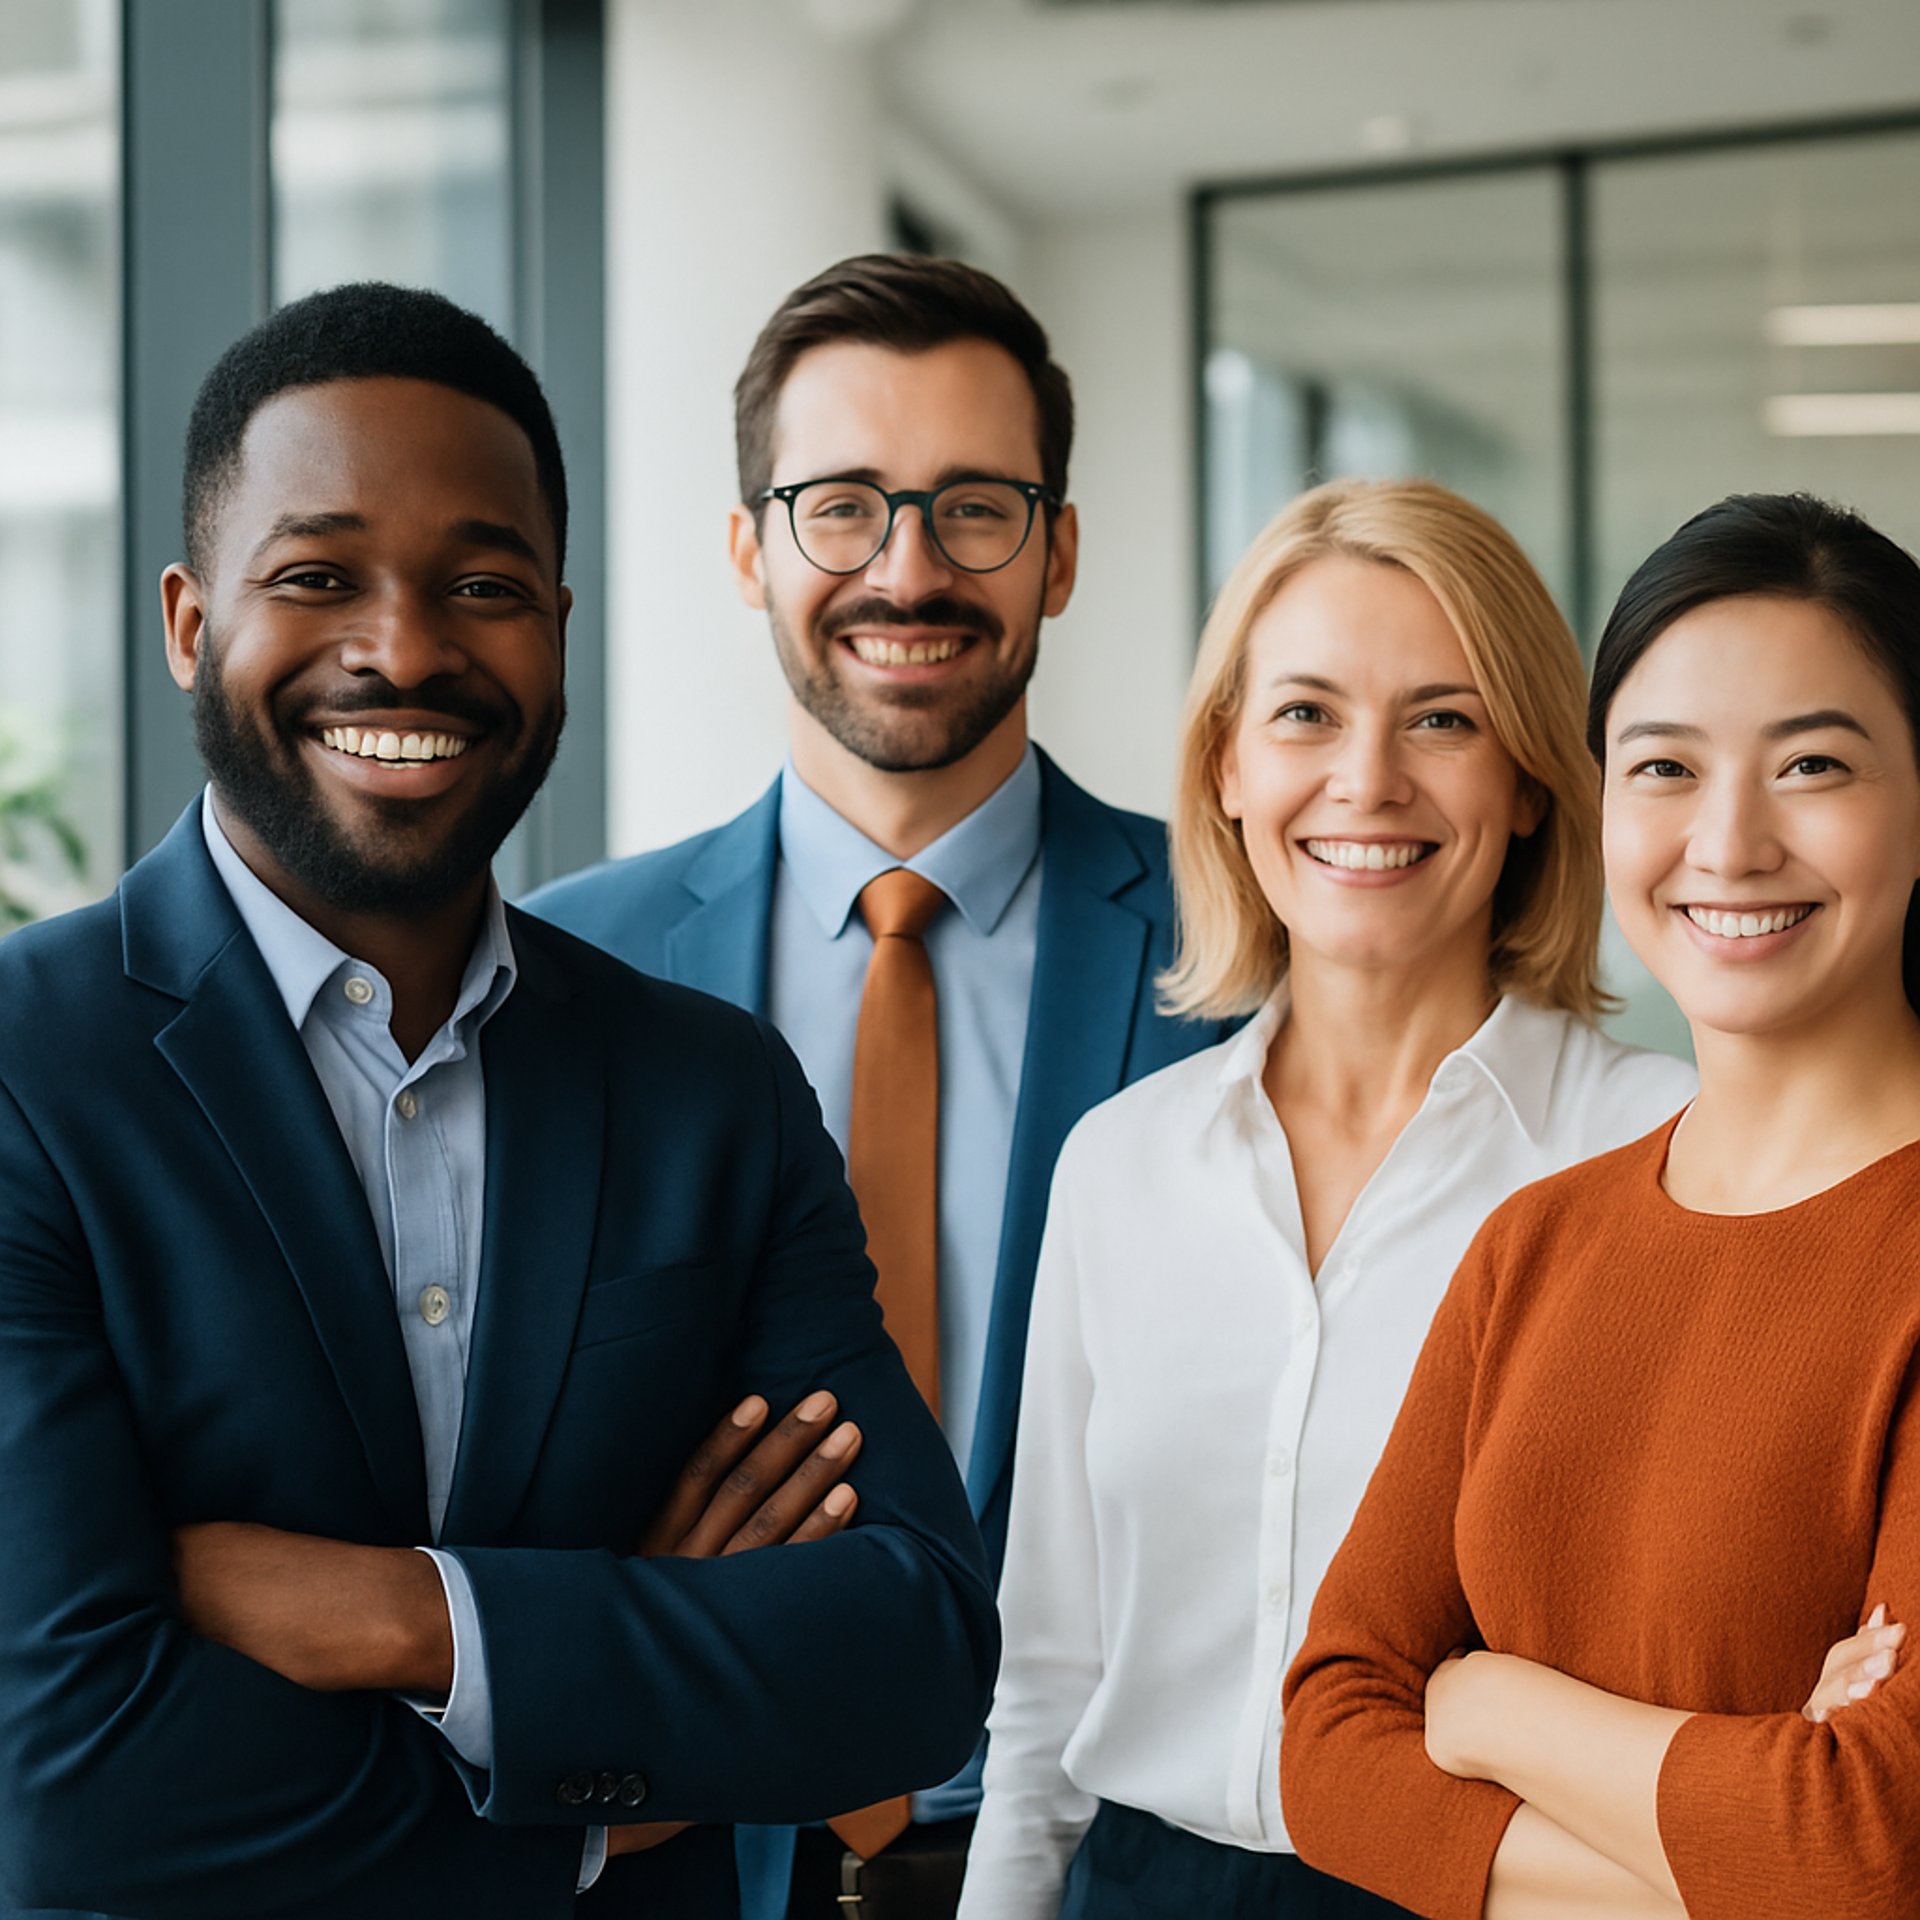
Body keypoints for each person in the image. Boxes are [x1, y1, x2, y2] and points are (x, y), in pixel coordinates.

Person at [0, 281, 996, 1920]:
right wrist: (600, 1790)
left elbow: (911, 1655)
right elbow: (62, 1778)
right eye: (319, 577)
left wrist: (418, 1621)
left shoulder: (710, 1088)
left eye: (483, 585)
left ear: (558, 627)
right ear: (190, 622)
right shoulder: (30, 1071)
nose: (404, 647)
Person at [527, 253, 1221, 1918]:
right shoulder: (558, 974)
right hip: (674, 1861)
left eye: (975, 507)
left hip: (1116, 1866)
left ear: (1059, 553)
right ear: (748, 548)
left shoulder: (1250, 955)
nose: (907, 568)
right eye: (840, 506)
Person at [956, 479, 1698, 1920]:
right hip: (1141, 1884)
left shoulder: (1660, 1153)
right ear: (1226, 765)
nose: (1368, 782)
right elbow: (1048, 1668)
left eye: (1444, 717)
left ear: (1535, 779)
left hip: (1499, 1889)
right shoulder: (1119, 1163)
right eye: (1304, 715)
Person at [1281, 492, 1920, 1920]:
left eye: (1813, 763)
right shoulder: (1537, 1244)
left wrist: (1487, 1704)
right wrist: (1736, 1847)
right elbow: (1327, 1740)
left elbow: (1868, 1844)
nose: (1731, 842)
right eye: (1666, 767)